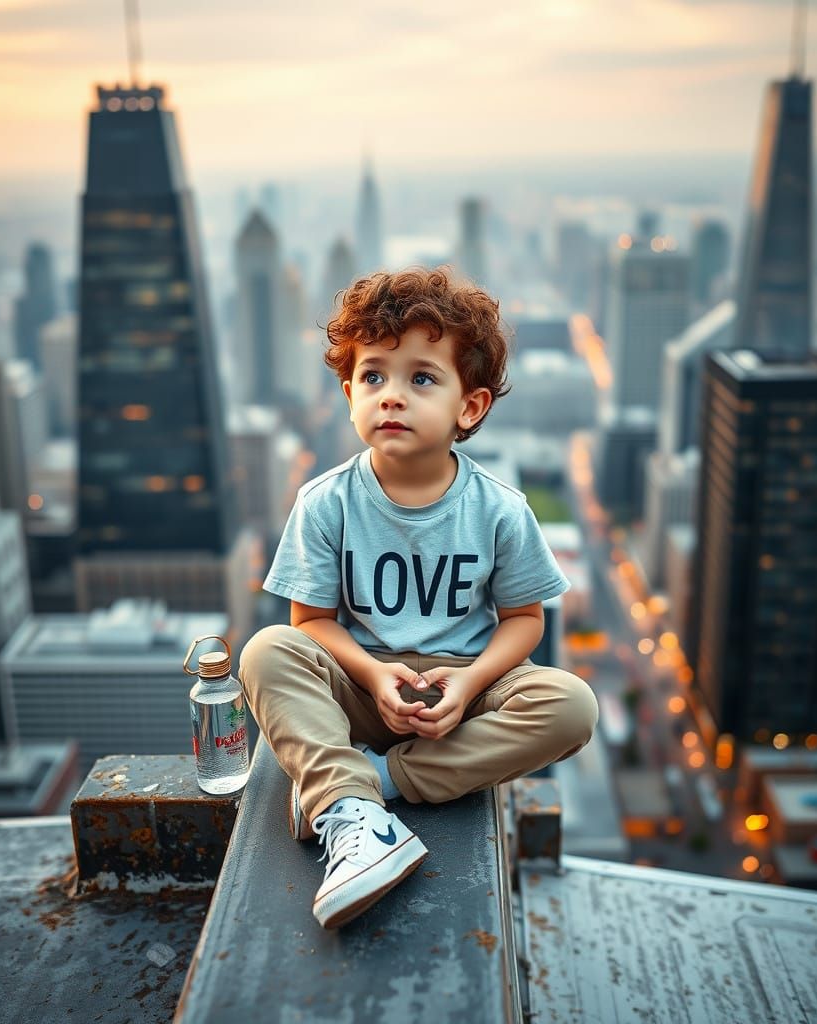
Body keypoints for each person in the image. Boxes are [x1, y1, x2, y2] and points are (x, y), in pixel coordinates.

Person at [239, 267, 598, 929]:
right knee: (266, 652)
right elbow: (310, 623)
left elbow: (524, 621)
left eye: (421, 378)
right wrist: (373, 673)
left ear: (471, 407)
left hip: (461, 691)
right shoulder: (325, 503)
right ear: (349, 394)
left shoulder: (499, 509)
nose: (392, 396)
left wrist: (469, 686)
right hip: (361, 685)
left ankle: (372, 784)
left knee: (572, 705)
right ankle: (354, 819)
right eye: (373, 377)